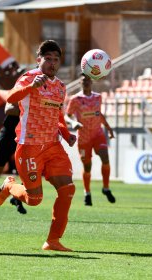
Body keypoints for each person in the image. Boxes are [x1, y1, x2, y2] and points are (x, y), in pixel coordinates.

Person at [0, 40, 77, 252]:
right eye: (47, 58)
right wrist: (32, 87)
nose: (51, 63)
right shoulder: (28, 78)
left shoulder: (60, 86)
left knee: (67, 189)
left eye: (56, 59)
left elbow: (58, 115)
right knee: (34, 200)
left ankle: (53, 241)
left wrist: (66, 134)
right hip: (29, 145)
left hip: (52, 146)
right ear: (38, 59)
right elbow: (11, 98)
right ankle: (10, 186)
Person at [65, 74, 115, 206]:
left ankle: (106, 188)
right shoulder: (75, 99)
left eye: (87, 80)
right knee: (87, 167)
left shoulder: (98, 97)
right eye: (83, 80)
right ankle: (87, 193)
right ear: (80, 83)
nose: (85, 82)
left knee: (105, 157)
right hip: (84, 138)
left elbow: (99, 114)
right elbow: (67, 116)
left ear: (91, 81)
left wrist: (108, 128)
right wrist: (73, 123)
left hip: (98, 134)